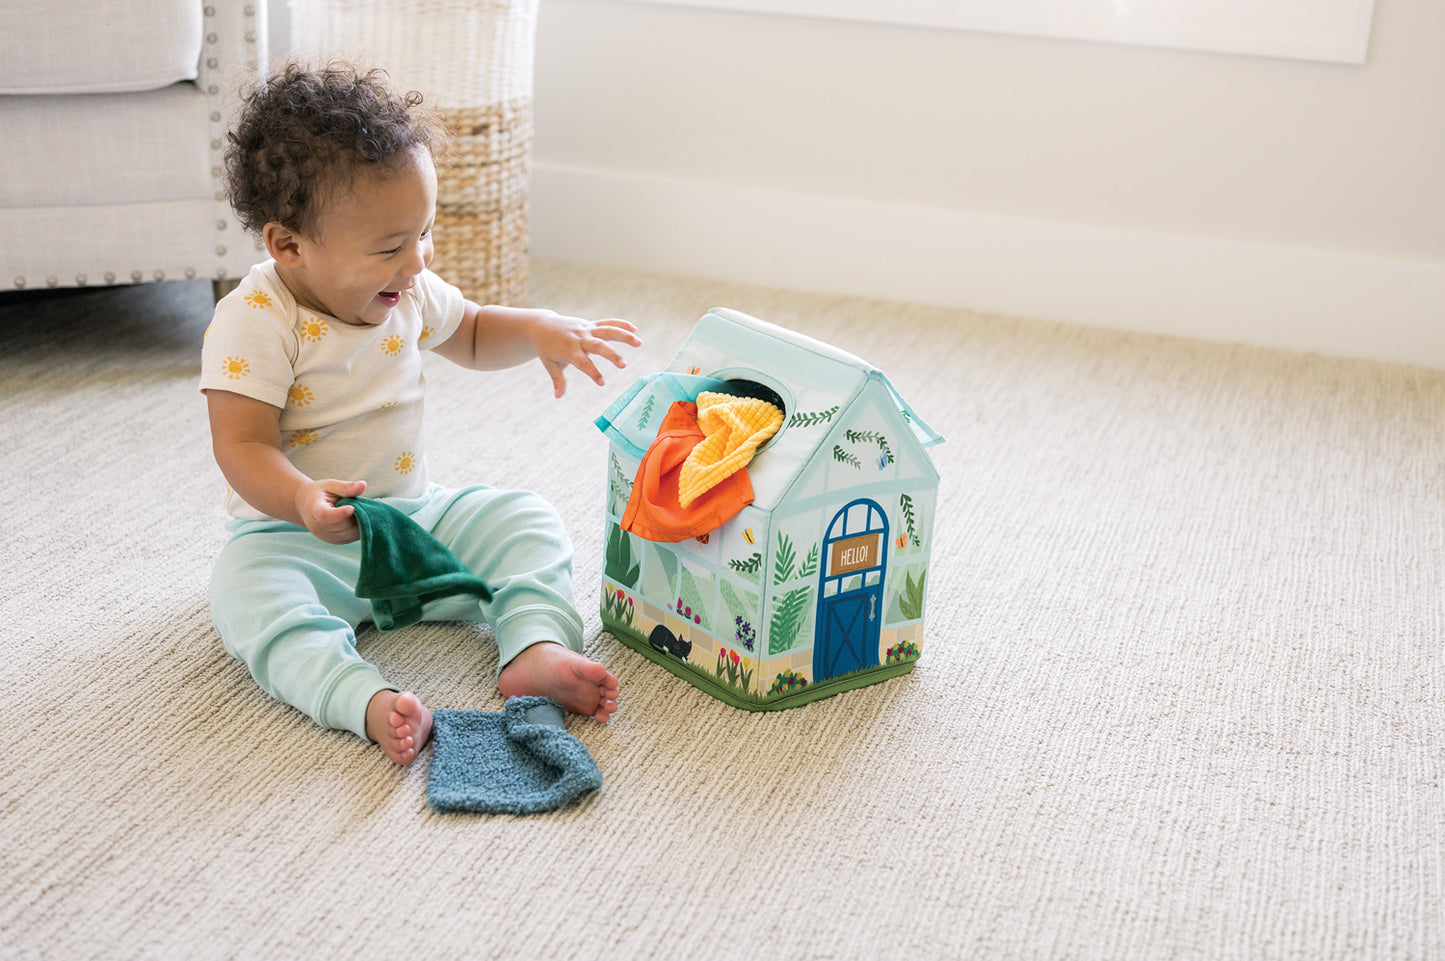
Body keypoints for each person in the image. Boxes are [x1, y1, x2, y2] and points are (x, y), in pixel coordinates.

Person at [199, 62, 640, 765]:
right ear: (288, 245)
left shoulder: (407, 288)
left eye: (423, 233)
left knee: (525, 519)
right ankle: (361, 698)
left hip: (414, 520)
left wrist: (536, 329)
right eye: (389, 248)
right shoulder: (253, 319)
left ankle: (533, 646)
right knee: (245, 597)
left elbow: (471, 331)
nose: (416, 263)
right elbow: (241, 444)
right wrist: (302, 499)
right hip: (297, 541)